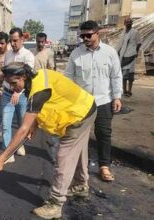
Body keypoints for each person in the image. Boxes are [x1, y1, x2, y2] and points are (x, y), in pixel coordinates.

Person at [0, 63, 97, 219]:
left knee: (64, 158)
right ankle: (80, 185)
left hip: (78, 115)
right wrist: (35, 124)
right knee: (78, 151)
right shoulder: (38, 77)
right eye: (9, 84)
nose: (13, 88)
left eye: (14, 83)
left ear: (23, 77)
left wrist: (2, 158)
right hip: (86, 107)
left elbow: (23, 130)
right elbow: (47, 103)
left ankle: (55, 203)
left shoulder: (38, 91)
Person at [65, 20, 122, 182]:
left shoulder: (110, 53)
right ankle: (82, 167)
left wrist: (117, 97)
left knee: (104, 134)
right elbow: (68, 78)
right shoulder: (76, 54)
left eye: (88, 35)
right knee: (81, 135)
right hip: (83, 103)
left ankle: (104, 166)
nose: (85, 38)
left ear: (98, 33)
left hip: (104, 101)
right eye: (82, 36)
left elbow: (116, 76)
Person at [0, 27, 35, 163]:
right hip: (7, 94)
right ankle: (8, 152)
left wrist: (17, 92)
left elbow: (27, 78)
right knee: (5, 123)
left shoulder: (28, 56)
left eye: (15, 40)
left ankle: (19, 145)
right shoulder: (8, 54)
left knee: (22, 123)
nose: (13, 43)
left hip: (22, 95)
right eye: (11, 41)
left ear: (22, 39)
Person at [33, 32, 58, 163]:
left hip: (45, 86)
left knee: (48, 114)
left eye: (42, 42)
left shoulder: (49, 53)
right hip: (34, 86)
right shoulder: (32, 52)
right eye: (38, 41)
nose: (40, 44)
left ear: (45, 41)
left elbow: (52, 69)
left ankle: (53, 146)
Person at [116, 17, 142, 97]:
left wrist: (136, 52)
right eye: (127, 22)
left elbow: (139, 43)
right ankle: (124, 90)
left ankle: (129, 91)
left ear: (132, 23)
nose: (128, 23)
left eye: (130, 22)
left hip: (131, 55)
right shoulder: (122, 33)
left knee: (130, 75)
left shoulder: (135, 32)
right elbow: (119, 44)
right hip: (123, 56)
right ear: (124, 23)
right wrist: (117, 53)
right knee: (123, 75)